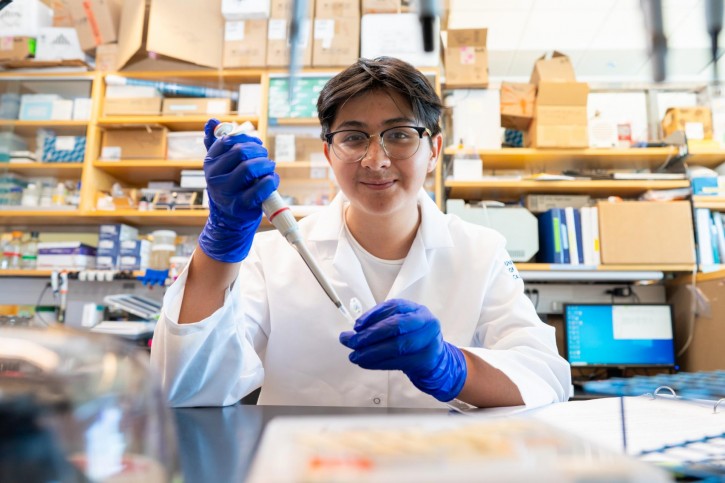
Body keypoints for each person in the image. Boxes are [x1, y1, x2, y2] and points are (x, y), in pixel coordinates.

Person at [150, 57, 571, 409]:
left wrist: (452, 367)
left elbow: (546, 378)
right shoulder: (270, 256)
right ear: (329, 152)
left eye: (400, 135)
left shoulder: (481, 252)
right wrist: (222, 240)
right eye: (353, 137)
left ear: (434, 152)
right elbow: (183, 389)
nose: (375, 160)